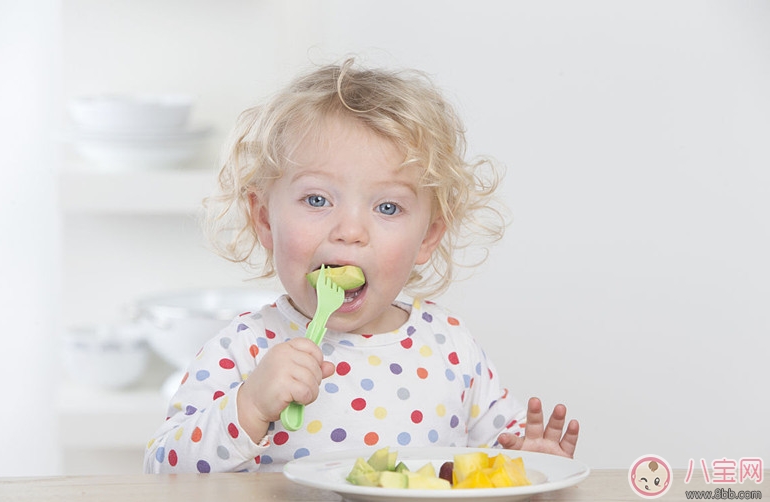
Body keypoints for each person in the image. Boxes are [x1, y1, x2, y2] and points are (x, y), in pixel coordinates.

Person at [144, 58, 579, 474]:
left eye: (388, 207)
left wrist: (529, 460)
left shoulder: (452, 347)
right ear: (265, 220)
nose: (350, 231)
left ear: (428, 236)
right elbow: (164, 471)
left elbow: (494, 461)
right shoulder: (244, 348)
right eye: (317, 200)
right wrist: (250, 407)